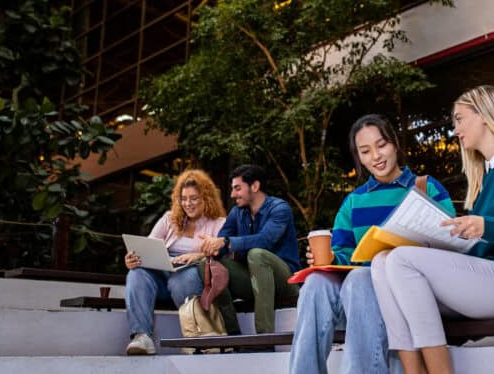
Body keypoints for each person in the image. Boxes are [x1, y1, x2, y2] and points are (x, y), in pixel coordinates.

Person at [370, 85, 494, 374]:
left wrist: (486, 226)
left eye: (459, 119)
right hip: (493, 282)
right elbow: (481, 247)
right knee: (382, 262)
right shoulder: (487, 177)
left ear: (484, 116)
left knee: (401, 260)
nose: (455, 129)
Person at [289, 114, 455, 374]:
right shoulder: (354, 202)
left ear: (395, 144)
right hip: (358, 303)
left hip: (407, 295)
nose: (375, 156)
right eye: (365, 151)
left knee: (361, 278)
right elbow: (345, 255)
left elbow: (452, 244)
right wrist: (330, 259)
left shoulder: (425, 188)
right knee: (315, 282)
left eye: (381, 145)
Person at [124, 169, 227, 355]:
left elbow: (225, 254)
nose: (188, 203)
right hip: (162, 276)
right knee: (136, 274)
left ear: (206, 198)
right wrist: (134, 258)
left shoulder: (219, 223)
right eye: (184, 198)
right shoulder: (169, 219)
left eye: (194, 198)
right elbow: (148, 245)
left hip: (190, 274)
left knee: (182, 278)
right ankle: (142, 337)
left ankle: (194, 336)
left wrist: (198, 256)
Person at [198, 164, 301, 335]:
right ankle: (232, 335)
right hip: (253, 280)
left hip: (286, 281)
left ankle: (264, 336)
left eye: (237, 188)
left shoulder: (279, 208)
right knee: (206, 264)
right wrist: (212, 247)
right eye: (232, 189)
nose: (232, 195)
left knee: (257, 254)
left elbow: (265, 240)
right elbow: (222, 243)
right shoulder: (236, 213)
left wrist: (225, 242)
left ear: (255, 186)